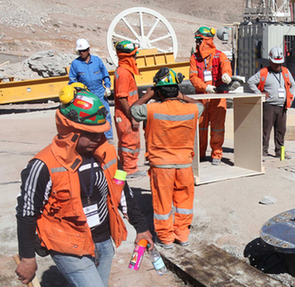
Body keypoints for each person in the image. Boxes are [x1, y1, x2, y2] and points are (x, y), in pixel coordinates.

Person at [15, 85, 154, 287]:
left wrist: (141, 228)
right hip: (67, 245)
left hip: (103, 240)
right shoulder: (43, 165)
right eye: (92, 134)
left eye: (102, 132)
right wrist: (27, 258)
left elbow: (123, 190)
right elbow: (26, 213)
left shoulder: (106, 152)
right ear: (69, 132)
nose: (100, 139)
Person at [131, 67, 204, 248]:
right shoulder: (192, 109)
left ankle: (166, 239)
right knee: (184, 201)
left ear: (159, 91)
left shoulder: (152, 109)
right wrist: (182, 96)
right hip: (184, 164)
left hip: (162, 165)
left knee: (163, 203)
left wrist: (148, 95)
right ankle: (183, 235)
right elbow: (202, 105)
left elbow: (133, 110)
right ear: (176, 90)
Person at [189, 26, 233, 165]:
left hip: (218, 98)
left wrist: (226, 75)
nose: (197, 44)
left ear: (206, 41)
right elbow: (193, 77)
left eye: (199, 41)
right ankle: (200, 154)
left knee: (218, 128)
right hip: (201, 98)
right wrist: (205, 87)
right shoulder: (194, 58)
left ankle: (216, 154)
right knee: (200, 128)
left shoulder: (219, 55)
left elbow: (225, 65)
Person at [247, 46, 295, 160]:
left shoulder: (285, 72)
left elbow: (293, 85)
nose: (278, 66)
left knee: (281, 130)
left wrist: (291, 98)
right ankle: (263, 152)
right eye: (275, 64)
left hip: (282, 107)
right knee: (266, 130)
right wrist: (259, 93)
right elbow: (250, 82)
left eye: (280, 64)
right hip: (268, 106)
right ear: (270, 61)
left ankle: (279, 152)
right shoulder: (264, 72)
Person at [69, 38, 114, 142]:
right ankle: (94, 139)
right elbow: (72, 81)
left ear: (89, 50)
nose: (82, 53)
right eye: (80, 51)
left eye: (84, 50)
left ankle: (108, 137)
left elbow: (105, 75)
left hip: (100, 93)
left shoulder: (97, 60)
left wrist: (107, 87)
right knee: (89, 117)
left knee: (105, 114)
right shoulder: (75, 64)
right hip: (87, 95)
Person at [113, 40, 145, 180]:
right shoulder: (124, 73)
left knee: (126, 141)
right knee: (129, 141)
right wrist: (132, 116)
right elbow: (122, 98)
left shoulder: (123, 70)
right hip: (126, 114)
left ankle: (125, 166)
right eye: (133, 55)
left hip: (125, 113)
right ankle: (130, 169)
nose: (135, 58)